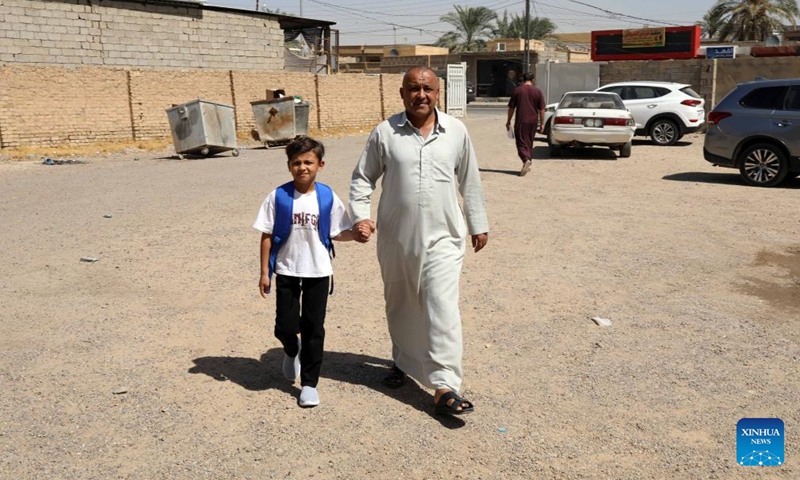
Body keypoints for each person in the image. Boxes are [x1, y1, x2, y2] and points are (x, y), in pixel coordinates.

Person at [349, 66, 489, 417]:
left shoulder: (456, 131)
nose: (421, 95)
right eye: (414, 89)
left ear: (438, 93)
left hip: (444, 236)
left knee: (441, 305)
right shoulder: (385, 133)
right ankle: (403, 359)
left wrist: (478, 223)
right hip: (397, 238)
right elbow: (362, 179)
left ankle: (445, 386)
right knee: (401, 302)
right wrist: (360, 216)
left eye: (427, 88)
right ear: (401, 93)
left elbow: (469, 181)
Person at [254, 136, 367, 408]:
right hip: (287, 269)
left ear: (320, 164)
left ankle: (309, 384)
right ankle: (292, 350)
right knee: (285, 325)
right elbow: (267, 235)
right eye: (296, 162)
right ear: (289, 166)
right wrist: (264, 272)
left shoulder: (327, 197)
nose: (302, 167)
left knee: (314, 328)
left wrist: (357, 235)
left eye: (308, 162)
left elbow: (337, 232)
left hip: (318, 271)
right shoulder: (278, 196)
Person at [506, 72, 546, 177]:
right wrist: (542, 123)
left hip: (521, 120)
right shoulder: (537, 91)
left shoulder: (517, 90)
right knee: (529, 141)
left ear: (523, 79)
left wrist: (508, 120)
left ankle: (526, 159)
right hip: (533, 121)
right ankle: (528, 160)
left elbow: (511, 108)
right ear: (532, 80)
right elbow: (541, 109)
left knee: (520, 142)